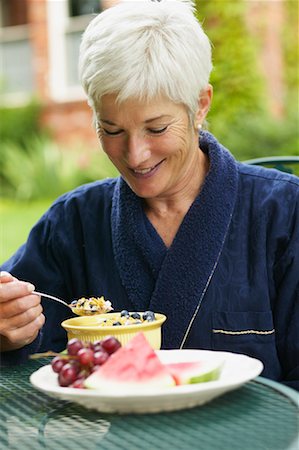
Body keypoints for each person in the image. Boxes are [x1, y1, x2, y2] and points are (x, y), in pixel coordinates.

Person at [0, 0, 298, 390]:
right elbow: (26, 346)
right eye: (112, 130)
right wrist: (12, 331)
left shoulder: (283, 212)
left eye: (156, 129)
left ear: (200, 105)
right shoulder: (72, 223)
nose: (136, 155)